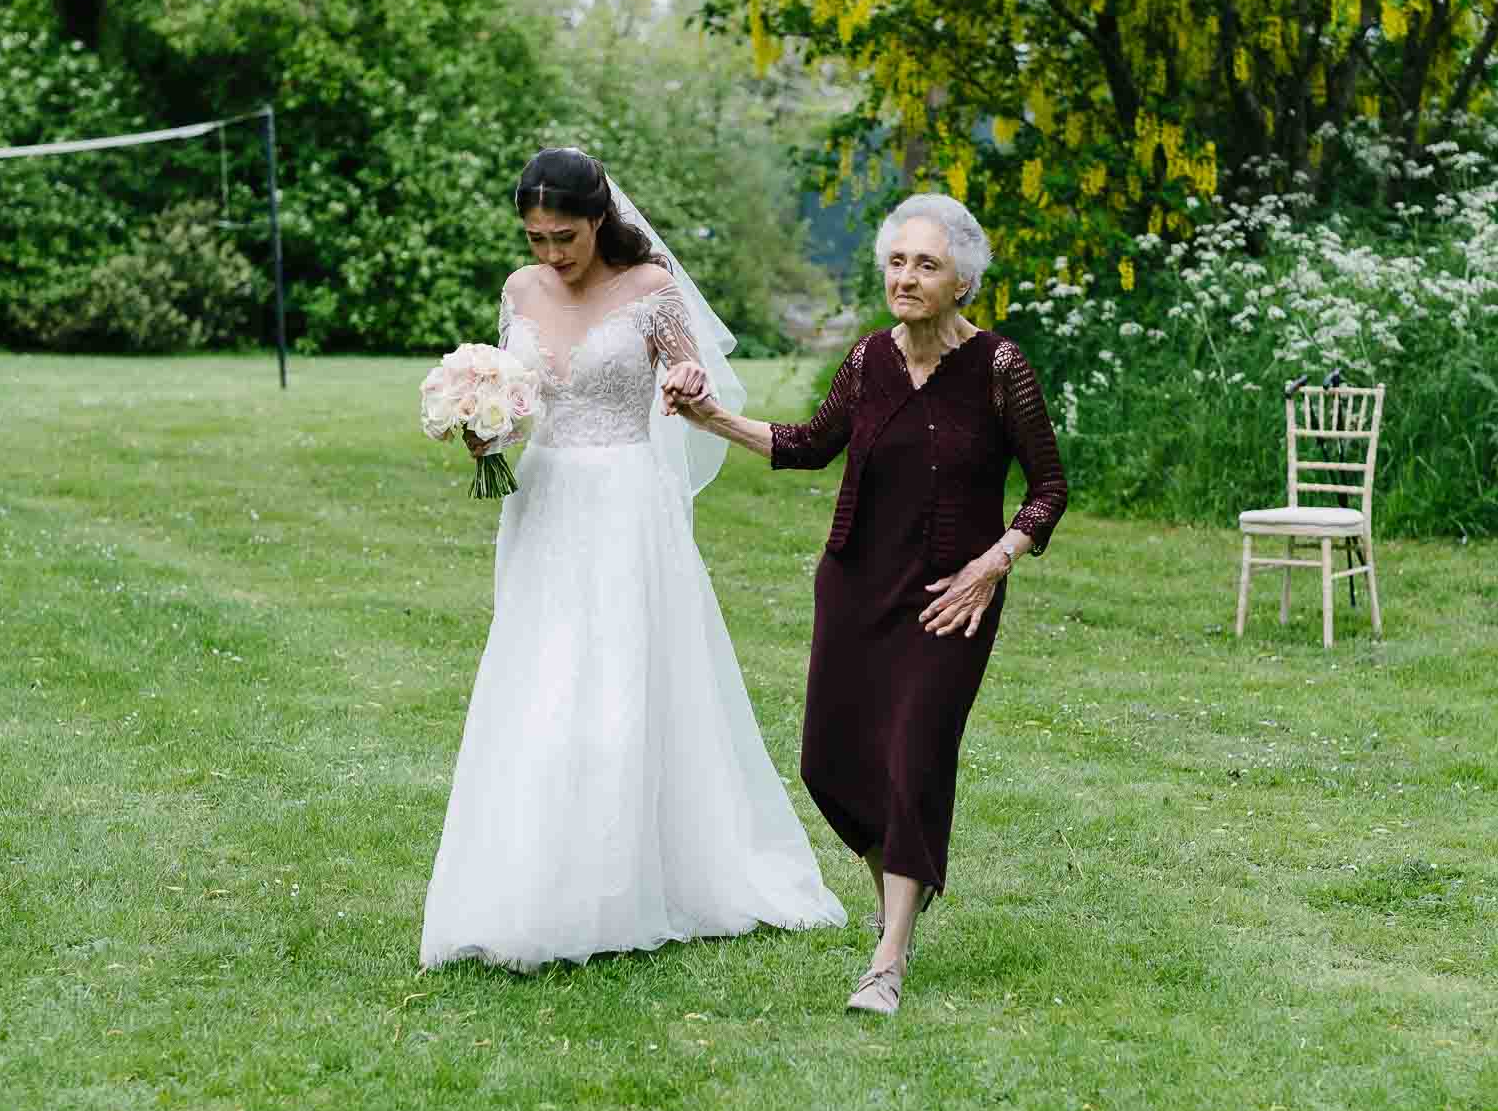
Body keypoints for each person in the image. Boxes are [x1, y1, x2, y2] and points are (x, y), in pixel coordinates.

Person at [419, 148, 845, 972]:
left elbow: (691, 375)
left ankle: (619, 881)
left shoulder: (649, 289)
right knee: (539, 673)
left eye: (565, 235)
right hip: (544, 502)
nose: (551, 253)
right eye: (536, 236)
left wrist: (685, 380)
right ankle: (524, 878)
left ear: (599, 218)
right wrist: (485, 428)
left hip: (623, 503)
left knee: (617, 679)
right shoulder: (519, 291)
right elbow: (524, 402)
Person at [667, 193, 1068, 1015]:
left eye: (927, 264)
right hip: (854, 586)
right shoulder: (868, 361)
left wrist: (993, 566)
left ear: (964, 281)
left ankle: (887, 958)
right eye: (896, 260)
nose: (906, 277)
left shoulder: (999, 368)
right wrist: (713, 418)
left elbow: (1050, 487)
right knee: (829, 763)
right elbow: (810, 446)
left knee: (915, 755)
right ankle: (901, 900)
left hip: (949, 599)